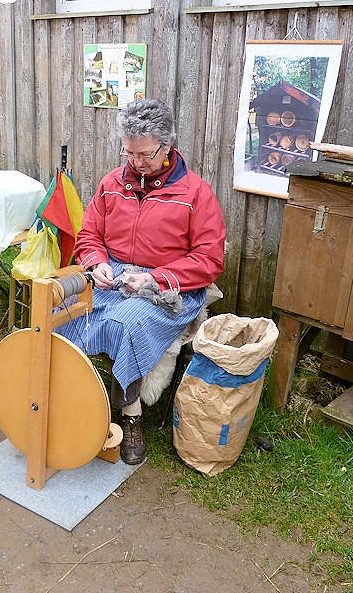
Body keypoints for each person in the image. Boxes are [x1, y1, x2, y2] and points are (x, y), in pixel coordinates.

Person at [57, 98, 226, 464]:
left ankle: (129, 416)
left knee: (126, 324)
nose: (136, 162)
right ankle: (67, 398)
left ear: (167, 146)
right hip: (114, 275)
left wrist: (154, 277)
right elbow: (89, 235)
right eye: (129, 153)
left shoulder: (195, 193)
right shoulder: (111, 184)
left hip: (168, 285)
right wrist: (96, 261)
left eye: (145, 154)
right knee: (60, 310)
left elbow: (209, 259)